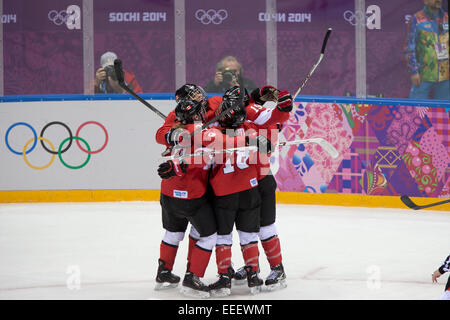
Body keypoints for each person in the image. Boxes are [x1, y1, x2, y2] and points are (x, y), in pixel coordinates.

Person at [154, 84, 221, 298]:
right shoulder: (203, 130)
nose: (202, 98)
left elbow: (160, 134)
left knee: (173, 232)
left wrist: (172, 134)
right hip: (193, 193)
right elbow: (220, 141)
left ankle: (164, 273)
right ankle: (193, 277)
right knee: (209, 235)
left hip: (169, 193)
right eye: (195, 97)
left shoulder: (178, 118)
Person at [405, 0, 449, 100]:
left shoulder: (447, 18)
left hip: (446, 76)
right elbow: (409, 47)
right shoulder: (417, 19)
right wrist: (413, 71)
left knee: (444, 112)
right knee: (417, 111)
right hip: (423, 74)